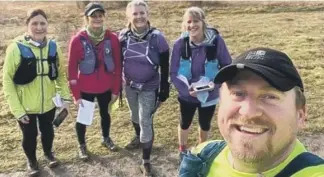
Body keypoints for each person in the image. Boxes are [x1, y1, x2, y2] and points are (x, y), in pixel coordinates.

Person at [179, 47, 324, 177]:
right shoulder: (202, 155)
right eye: (238, 93)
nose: (248, 112)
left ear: (300, 115)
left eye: (270, 96)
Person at [2, 8, 71, 176]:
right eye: (34, 23)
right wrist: (17, 111)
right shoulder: (16, 48)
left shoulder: (53, 47)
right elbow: (7, 81)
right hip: (25, 106)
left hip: (48, 103)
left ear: (47, 25)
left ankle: (48, 153)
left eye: (42, 23)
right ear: (27, 25)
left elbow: (60, 74)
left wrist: (65, 97)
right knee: (29, 135)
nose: (39, 27)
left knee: (48, 131)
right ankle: (32, 160)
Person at [170, 6, 232, 158]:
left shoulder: (216, 41)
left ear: (203, 22)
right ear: (185, 25)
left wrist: (215, 85)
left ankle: (200, 149)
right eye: (189, 22)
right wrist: (186, 91)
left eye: (196, 21)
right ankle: (182, 150)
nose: (192, 25)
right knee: (185, 122)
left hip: (210, 95)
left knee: (204, 123)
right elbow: (173, 72)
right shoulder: (180, 44)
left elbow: (227, 66)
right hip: (187, 95)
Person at [118, 0, 170, 176]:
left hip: (150, 86)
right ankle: (139, 138)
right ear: (128, 16)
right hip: (130, 85)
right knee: (134, 115)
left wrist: (164, 88)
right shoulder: (123, 37)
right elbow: (118, 63)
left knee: (145, 120)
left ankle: (146, 160)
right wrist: (118, 84)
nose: (139, 16)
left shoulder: (158, 38)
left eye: (142, 13)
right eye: (135, 13)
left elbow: (165, 64)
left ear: (147, 15)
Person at [67, 2, 122, 161]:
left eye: (100, 15)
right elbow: (71, 70)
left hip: (106, 87)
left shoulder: (112, 38)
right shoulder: (77, 40)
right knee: (83, 118)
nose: (97, 19)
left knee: (106, 114)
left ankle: (106, 138)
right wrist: (76, 95)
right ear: (86, 18)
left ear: (104, 17)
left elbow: (118, 66)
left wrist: (115, 90)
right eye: (93, 16)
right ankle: (82, 145)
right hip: (86, 88)